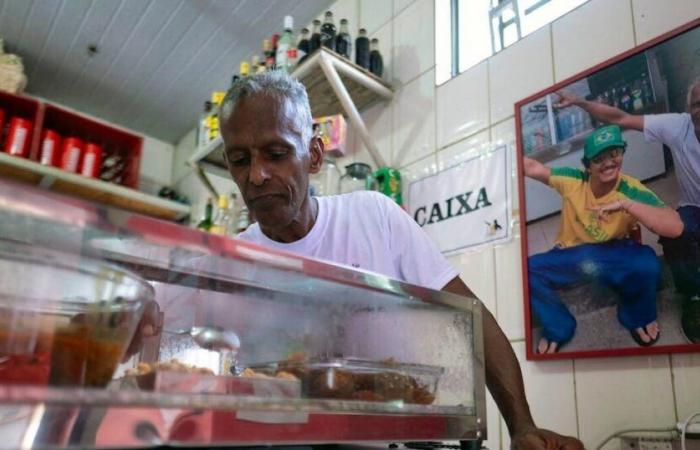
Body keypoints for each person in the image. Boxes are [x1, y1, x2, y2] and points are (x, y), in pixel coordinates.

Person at [217, 70, 583, 450]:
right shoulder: (231, 262)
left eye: (276, 154)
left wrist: (522, 425)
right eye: (239, 160)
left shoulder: (372, 216)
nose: (256, 176)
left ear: (314, 155)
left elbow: (469, 319)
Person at [556, 79, 700, 343]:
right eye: (697, 104)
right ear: (689, 109)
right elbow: (620, 117)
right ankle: (694, 296)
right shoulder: (679, 127)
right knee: (672, 230)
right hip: (695, 208)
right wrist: (578, 101)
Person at [523, 125, 683, 354]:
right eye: (599, 158)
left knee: (647, 262)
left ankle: (637, 315)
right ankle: (559, 327)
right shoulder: (573, 180)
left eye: (614, 154)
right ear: (588, 165)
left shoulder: (631, 189)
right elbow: (530, 166)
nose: (608, 163)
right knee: (528, 270)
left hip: (613, 252)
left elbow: (675, 226)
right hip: (570, 255)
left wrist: (627, 204)